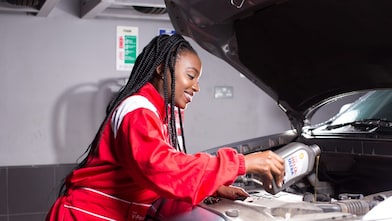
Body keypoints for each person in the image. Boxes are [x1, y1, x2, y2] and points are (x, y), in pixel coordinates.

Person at [46, 34, 285, 221]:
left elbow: (153, 180)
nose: (196, 87)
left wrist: (212, 188)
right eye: (191, 76)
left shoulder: (156, 113)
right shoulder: (138, 111)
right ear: (161, 68)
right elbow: (163, 169)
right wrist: (243, 163)